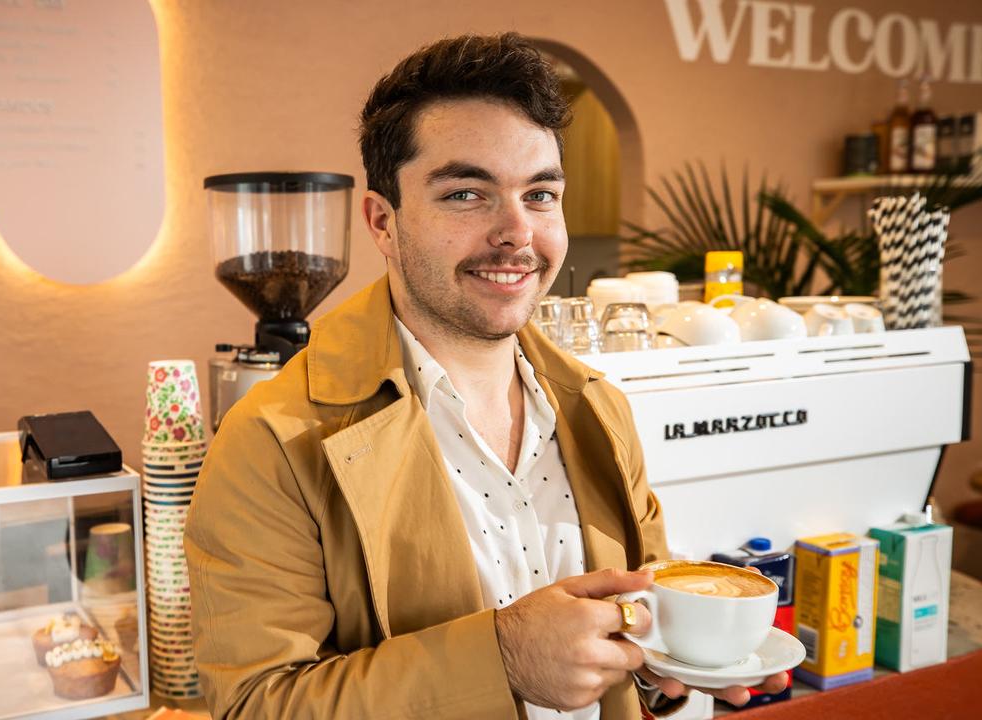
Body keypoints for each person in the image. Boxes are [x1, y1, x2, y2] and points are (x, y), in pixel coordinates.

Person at [185, 32, 787, 719]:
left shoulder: (601, 410)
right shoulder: (272, 441)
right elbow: (257, 705)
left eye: (539, 194)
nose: (517, 232)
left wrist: (660, 668)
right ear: (383, 222)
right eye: (467, 194)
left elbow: (636, 617)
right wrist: (500, 661)